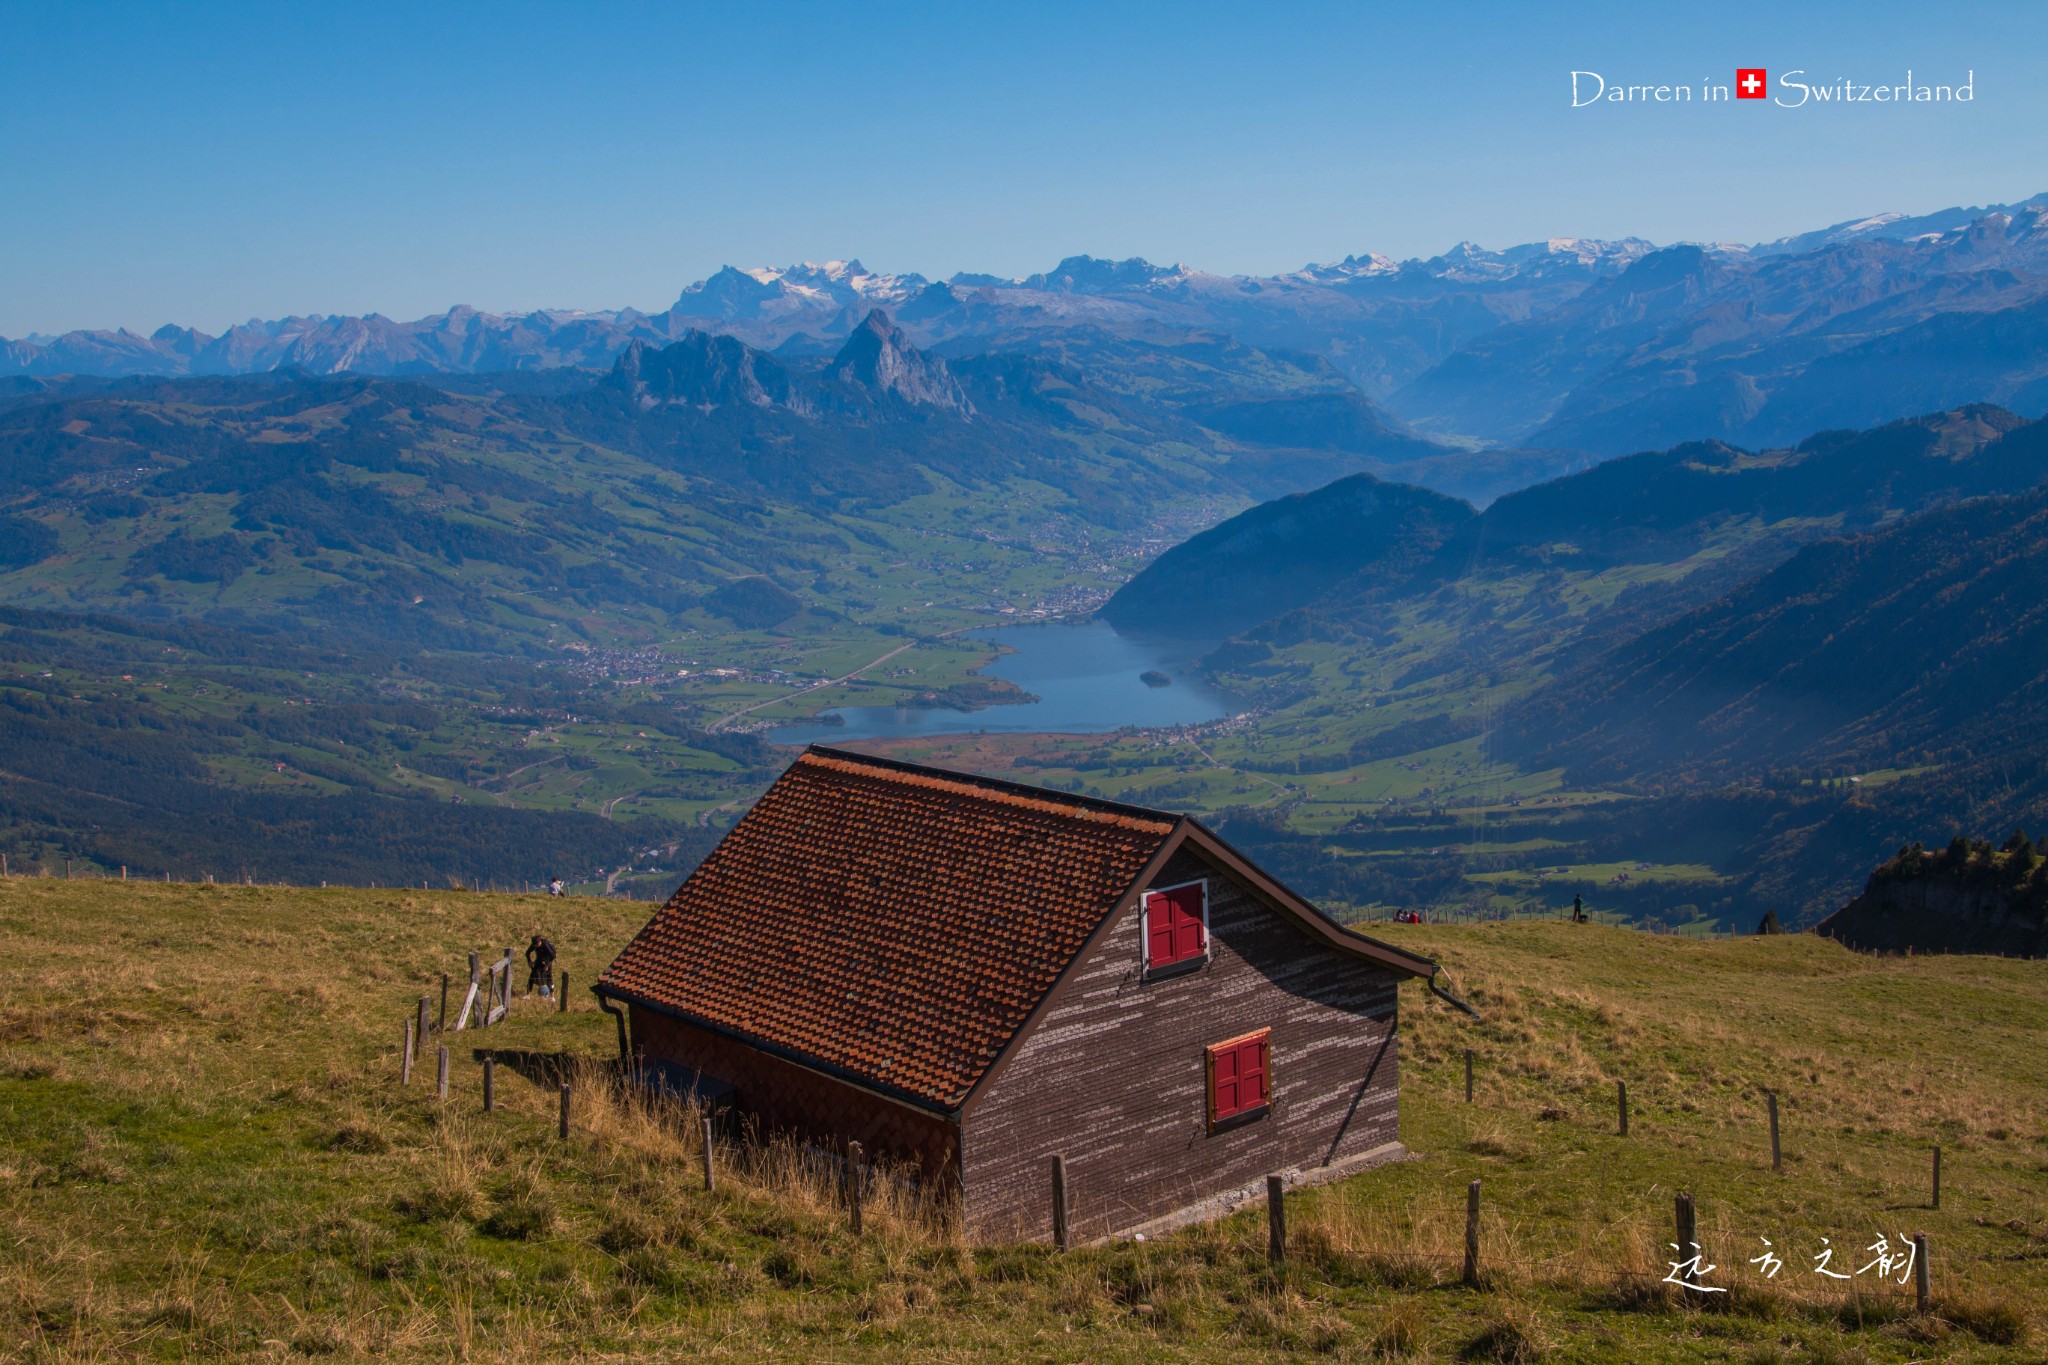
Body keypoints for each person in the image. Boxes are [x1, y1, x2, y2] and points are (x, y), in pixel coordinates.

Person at [526, 933, 557, 998]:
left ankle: (552, 996)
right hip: (538, 961)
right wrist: (529, 961)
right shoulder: (534, 944)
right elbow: (527, 952)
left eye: (537, 945)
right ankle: (528, 994)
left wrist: (547, 965)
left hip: (547, 961)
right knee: (532, 977)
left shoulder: (545, 945)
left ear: (540, 941)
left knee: (549, 979)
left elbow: (552, 956)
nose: (536, 946)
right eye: (534, 945)